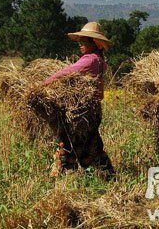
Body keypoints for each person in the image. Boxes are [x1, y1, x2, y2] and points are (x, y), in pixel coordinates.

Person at [43, 22, 114, 174]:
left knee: (68, 145)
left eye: (84, 41)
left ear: (94, 42)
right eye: (80, 41)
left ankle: (63, 176)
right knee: (91, 146)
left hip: (81, 113)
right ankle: (106, 175)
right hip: (93, 111)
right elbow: (100, 93)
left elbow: (66, 72)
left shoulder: (90, 60)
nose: (80, 44)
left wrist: (43, 84)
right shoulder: (99, 60)